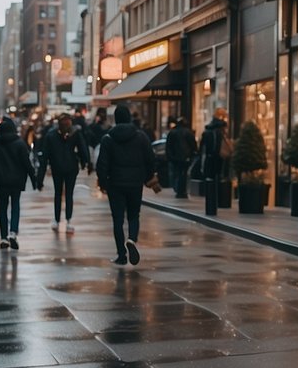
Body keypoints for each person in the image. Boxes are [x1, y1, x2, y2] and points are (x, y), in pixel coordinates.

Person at [96, 105, 155, 266]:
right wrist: (149, 177)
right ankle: (132, 239)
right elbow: (150, 158)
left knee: (117, 219)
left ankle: (121, 254)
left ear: (116, 118)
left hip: (115, 183)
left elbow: (102, 164)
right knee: (134, 215)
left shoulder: (108, 138)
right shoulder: (141, 137)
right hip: (135, 182)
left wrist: (103, 183)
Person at [0, 117, 38, 250]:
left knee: (2, 208)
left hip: (0, 181)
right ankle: (13, 232)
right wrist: (34, 179)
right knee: (15, 206)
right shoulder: (20, 143)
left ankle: (3, 237)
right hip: (16, 181)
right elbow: (27, 163)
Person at [36, 113, 90, 232]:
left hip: (57, 167)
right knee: (69, 194)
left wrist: (40, 179)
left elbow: (45, 157)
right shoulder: (75, 134)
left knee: (58, 193)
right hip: (71, 167)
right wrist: (85, 162)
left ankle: (57, 220)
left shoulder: (51, 135)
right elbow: (83, 149)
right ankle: (68, 220)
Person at [165, 116, 197, 199]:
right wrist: (193, 154)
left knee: (177, 173)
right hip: (185, 157)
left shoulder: (172, 132)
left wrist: (170, 156)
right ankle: (182, 191)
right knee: (183, 174)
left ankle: (178, 189)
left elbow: (168, 146)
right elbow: (193, 145)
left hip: (175, 157)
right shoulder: (188, 132)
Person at [199, 108, 231, 184]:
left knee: (210, 176)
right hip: (221, 156)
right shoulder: (222, 131)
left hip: (209, 156)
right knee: (220, 175)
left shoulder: (207, 130)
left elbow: (202, 146)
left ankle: (210, 192)